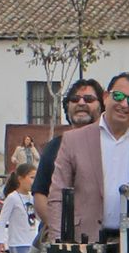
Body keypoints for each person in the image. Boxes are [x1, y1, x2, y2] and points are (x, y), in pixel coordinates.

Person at [47, 72, 129, 246]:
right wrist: (58, 243)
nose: (124, 104)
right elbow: (57, 196)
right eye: (118, 96)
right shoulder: (73, 140)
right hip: (84, 243)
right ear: (106, 97)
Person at [31, 78, 103, 240]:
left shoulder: (109, 146)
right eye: (75, 99)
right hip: (61, 239)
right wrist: (60, 230)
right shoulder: (53, 147)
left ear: (101, 106)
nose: (81, 103)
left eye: (89, 99)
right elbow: (40, 193)